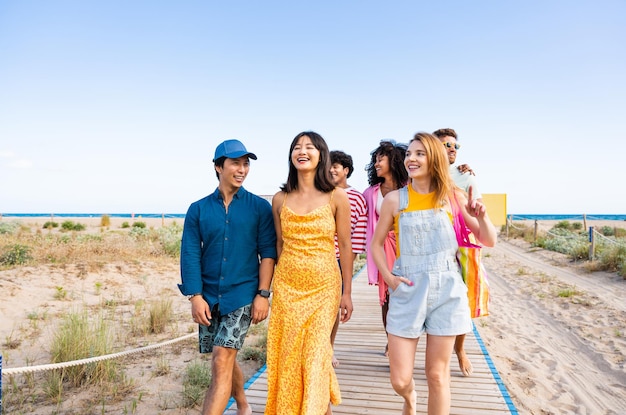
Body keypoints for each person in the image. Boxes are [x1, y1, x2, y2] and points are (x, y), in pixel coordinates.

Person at [370, 132, 497, 414]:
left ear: (435, 159)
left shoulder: (454, 196)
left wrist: (482, 216)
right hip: (408, 287)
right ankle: (410, 398)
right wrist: (389, 278)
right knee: (400, 379)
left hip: (447, 289)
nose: (411, 159)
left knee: (437, 375)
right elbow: (376, 245)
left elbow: (488, 240)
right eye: (409, 154)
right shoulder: (395, 200)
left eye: (420, 154)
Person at [178, 139, 277, 415]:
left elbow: (268, 254)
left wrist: (262, 294)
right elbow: (189, 254)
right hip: (209, 297)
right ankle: (243, 404)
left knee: (221, 358)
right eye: (235, 163)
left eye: (246, 164)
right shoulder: (197, 209)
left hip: (242, 295)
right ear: (218, 166)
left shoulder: (260, 208)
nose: (242, 169)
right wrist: (195, 296)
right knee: (224, 356)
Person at [265, 132, 354, 415]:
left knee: (316, 354)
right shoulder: (280, 198)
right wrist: (273, 289)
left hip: (324, 287)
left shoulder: (337, 196)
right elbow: (279, 244)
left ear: (321, 154)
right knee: (291, 356)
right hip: (288, 288)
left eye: (309, 147)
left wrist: (347, 293)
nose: (302, 151)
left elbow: (346, 246)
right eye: (296, 147)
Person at [433, 127, 482, 377]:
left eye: (455, 146)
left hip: (462, 246)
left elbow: (477, 211)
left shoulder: (466, 177)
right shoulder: (422, 174)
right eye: (445, 145)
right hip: (434, 246)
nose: (452, 149)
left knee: (463, 301)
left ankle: (460, 350)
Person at [362, 140, 408, 356]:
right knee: (387, 297)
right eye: (375, 159)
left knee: (409, 294)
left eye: (381, 158)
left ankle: (406, 338)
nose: (376, 162)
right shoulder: (371, 193)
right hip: (382, 248)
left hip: (408, 248)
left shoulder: (411, 186)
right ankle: (391, 340)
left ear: (394, 160)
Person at [329, 150, 368, 367]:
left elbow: (358, 237)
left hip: (339, 259)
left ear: (346, 171)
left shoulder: (358, 198)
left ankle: (329, 347)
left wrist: (347, 268)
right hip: (317, 257)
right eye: (328, 165)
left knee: (334, 309)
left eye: (336, 166)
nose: (331, 169)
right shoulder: (320, 193)